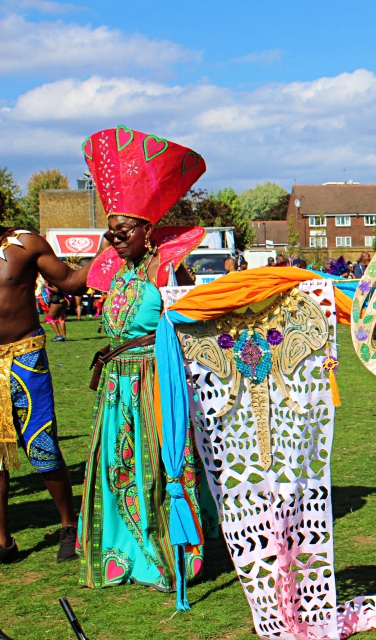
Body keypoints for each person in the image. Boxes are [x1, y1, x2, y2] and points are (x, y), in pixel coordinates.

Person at [78, 126, 208, 591]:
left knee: (155, 469)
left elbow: (191, 323)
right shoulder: (120, 270)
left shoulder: (168, 269)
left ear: (147, 230)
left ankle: (165, 556)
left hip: (153, 382)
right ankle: (125, 554)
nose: (114, 240)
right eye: (110, 234)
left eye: (123, 232)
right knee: (117, 468)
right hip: (116, 387)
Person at [0, 192, 102, 564]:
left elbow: (73, 283)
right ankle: (4, 542)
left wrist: (105, 247)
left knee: (40, 444)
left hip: (25, 358)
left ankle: (69, 525)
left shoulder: (25, 244)